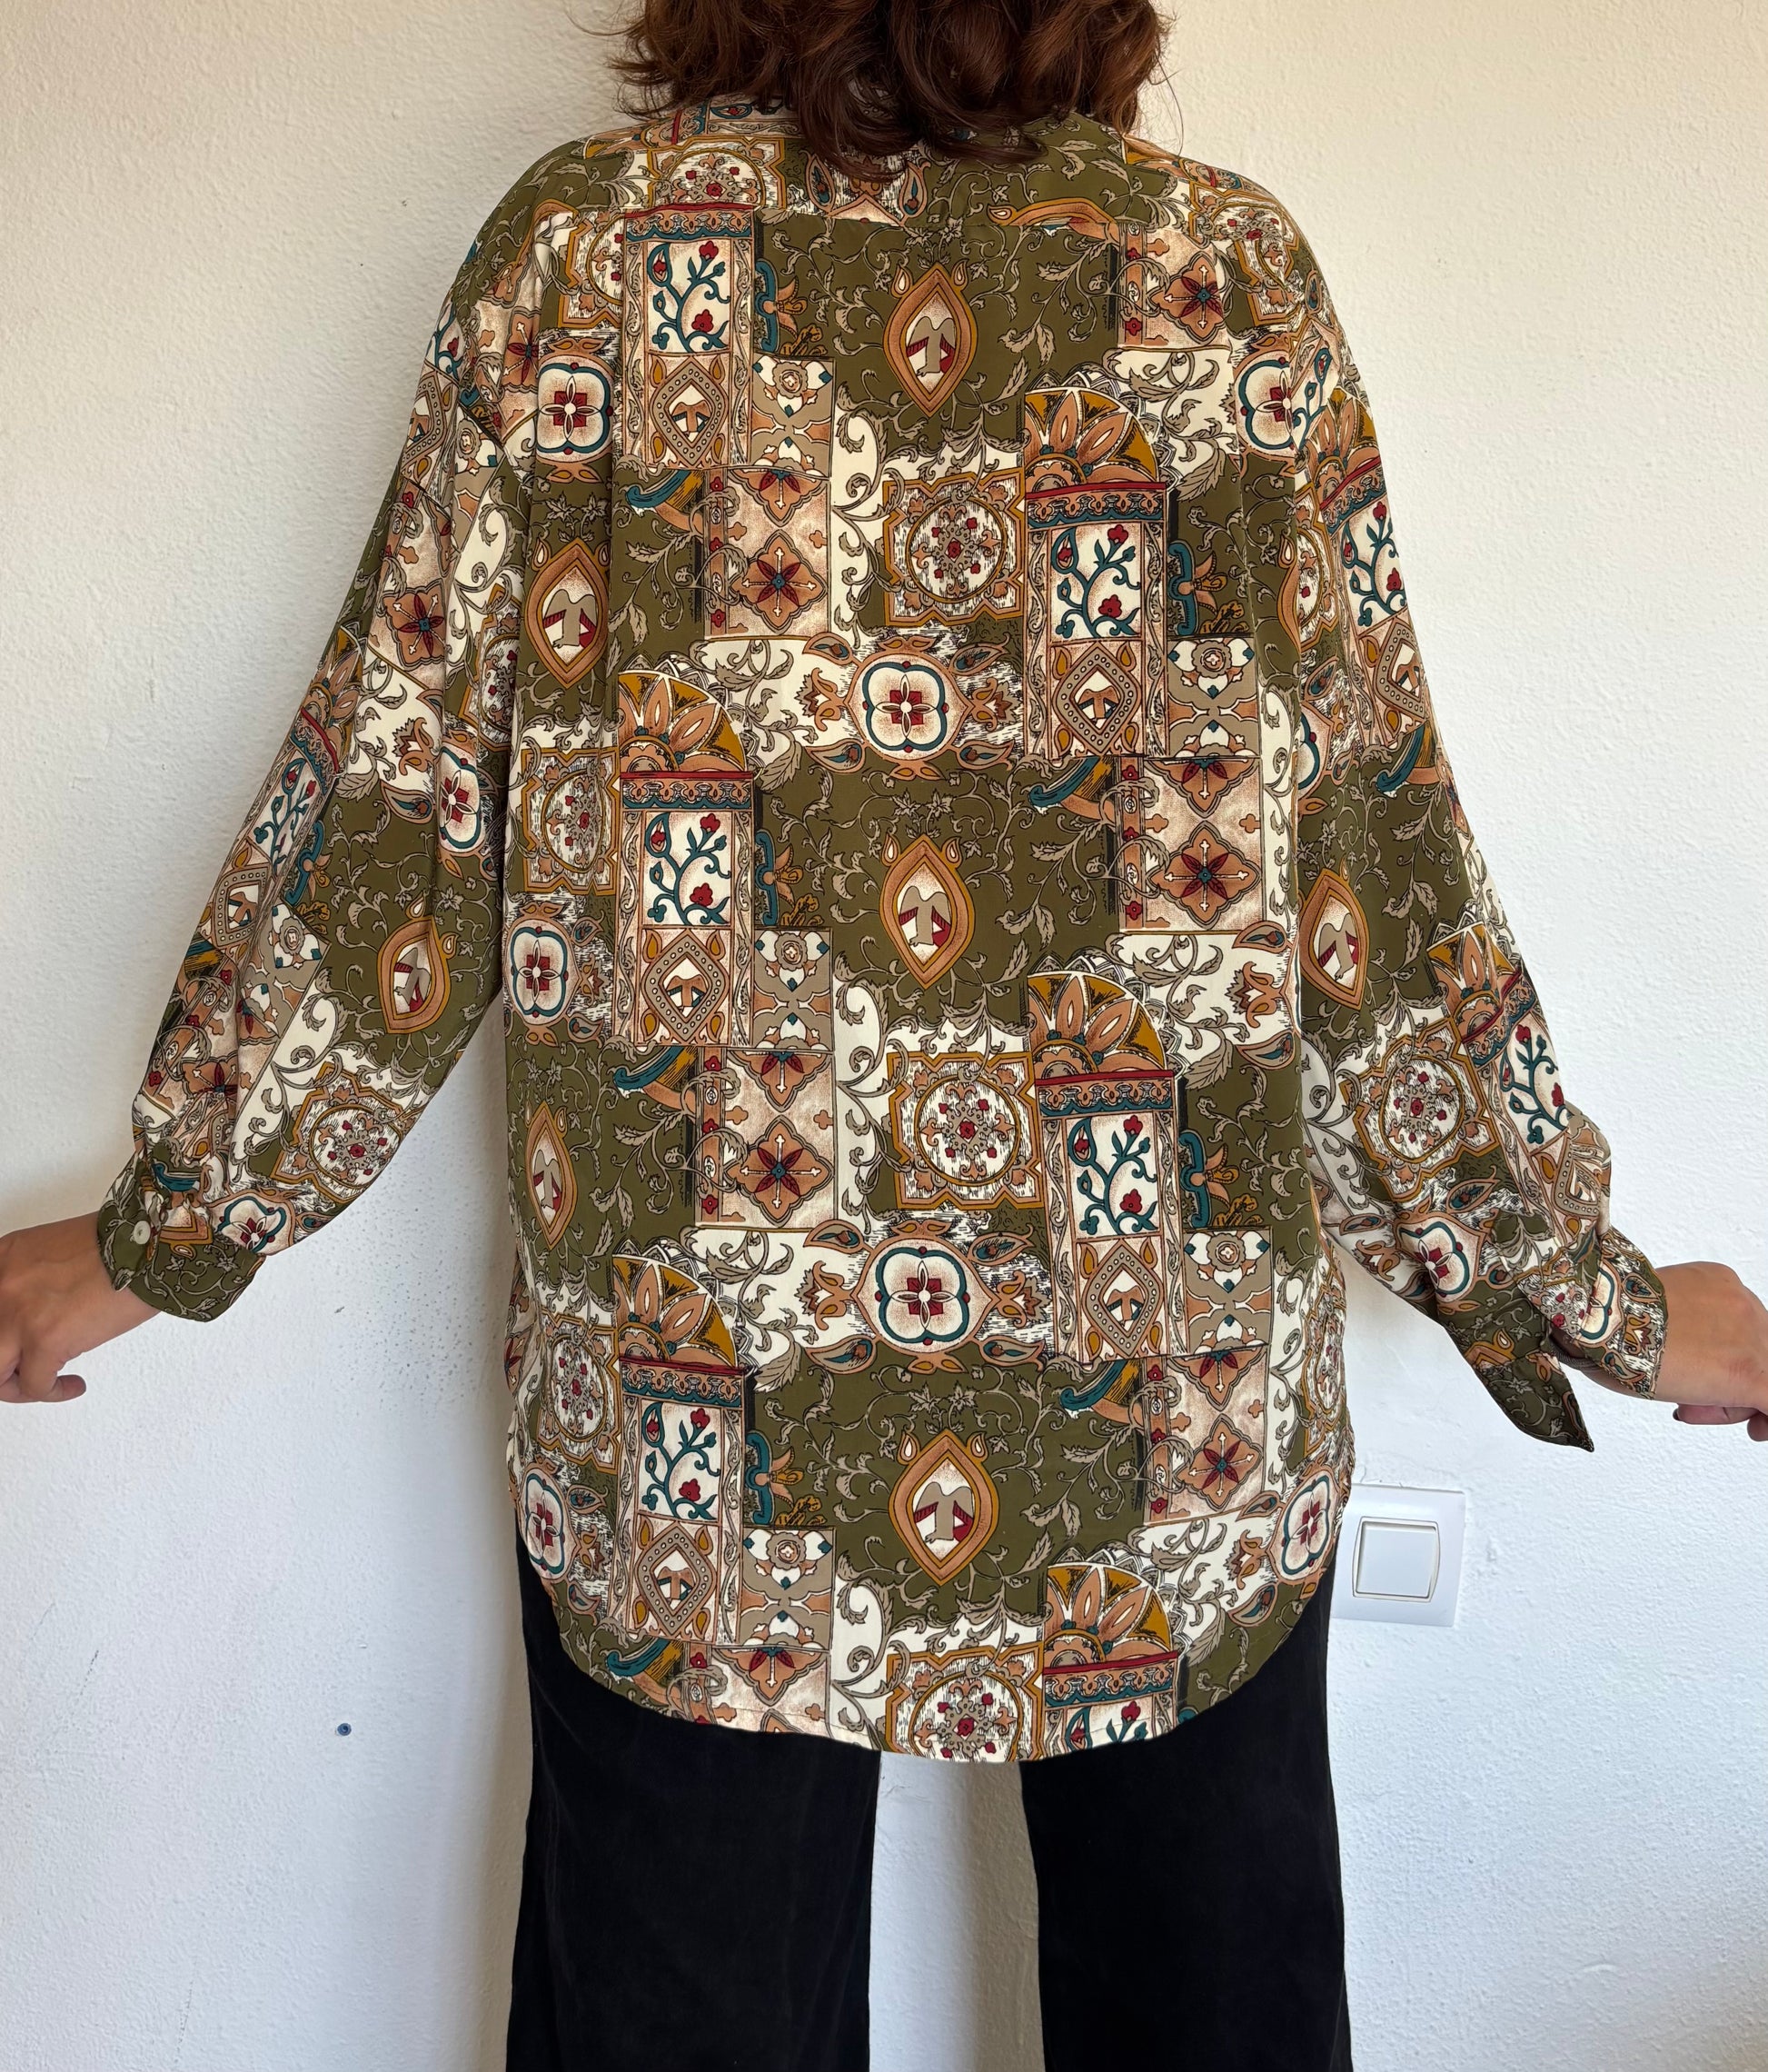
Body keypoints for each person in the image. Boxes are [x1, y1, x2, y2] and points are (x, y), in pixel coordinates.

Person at [4, 3, 1765, 2067]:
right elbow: (1368, 866)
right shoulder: (1221, 275)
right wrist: (1585, 1294)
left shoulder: (587, 253)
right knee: (1204, 2009)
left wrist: (164, 1233)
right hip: (1167, 1391)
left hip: (702, 1397)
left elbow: (403, 803)